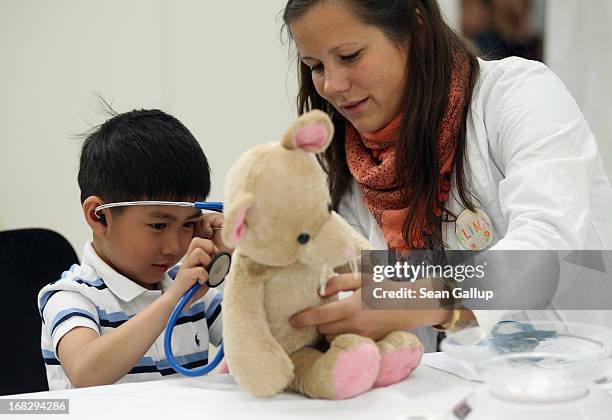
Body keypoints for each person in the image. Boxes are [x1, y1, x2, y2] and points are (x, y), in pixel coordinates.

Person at [282, 0, 612, 351]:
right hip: (450, 389)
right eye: (315, 66)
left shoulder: (518, 94)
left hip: (578, 377)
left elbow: (547, 247)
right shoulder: (357, 164)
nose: (332, 85)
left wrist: (421, 300)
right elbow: (360, 301)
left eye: (349, 56)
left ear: (416, 30)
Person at [37, 109, 226, 389]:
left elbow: (266, 344)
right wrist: (172, 300)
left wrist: (243, 262)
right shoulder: (72, 297)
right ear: (99, 216)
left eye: (188, 225)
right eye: (159, 226)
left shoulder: (192, 289)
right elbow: (86, 373)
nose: (175, 247)